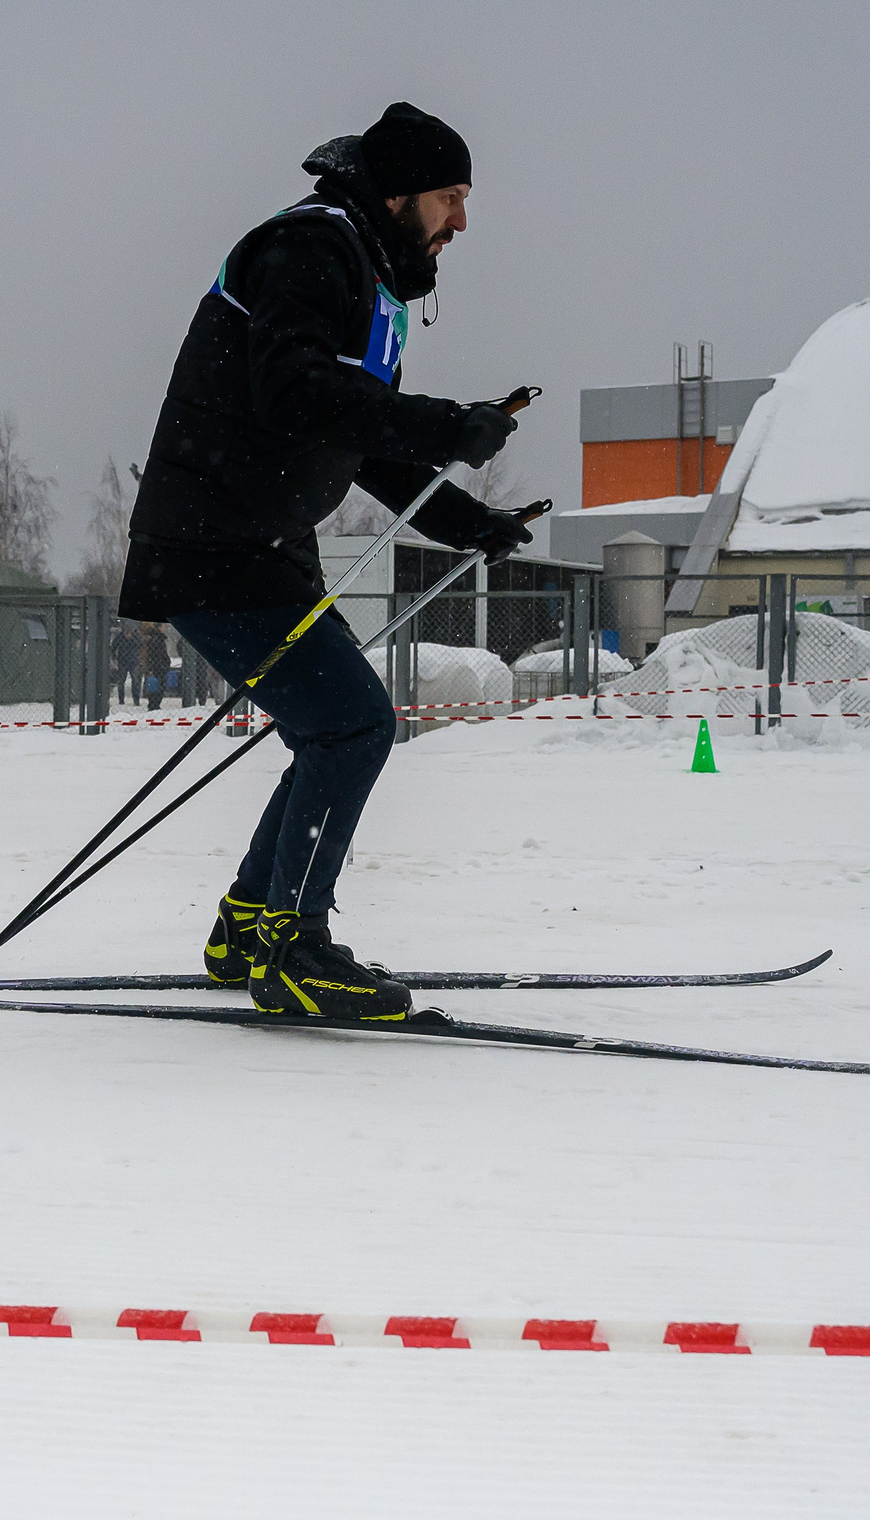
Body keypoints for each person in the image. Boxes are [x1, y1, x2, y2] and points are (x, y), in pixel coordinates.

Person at [120, 101, 537, 1022]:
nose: (462, 220)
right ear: (398, 194)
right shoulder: (311, 248)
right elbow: (295, 391)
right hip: (214, 548)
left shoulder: (366, 271)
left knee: (333, 727)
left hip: (258, 547)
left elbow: (359, 437)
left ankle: (249, 925)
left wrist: (468, 520)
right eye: (450, 196)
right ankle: (293, 948)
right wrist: (445, 425)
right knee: (352, 725)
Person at [140, 624, 172, 711]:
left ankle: (153, 703)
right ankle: (155, 704)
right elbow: (159, 654)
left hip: (157, 665)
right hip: (158, 666)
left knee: (155, 686)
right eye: (163, 626)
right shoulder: (157, 639)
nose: (164, 628)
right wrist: (164, 663)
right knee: (159, 686)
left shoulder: (154, 639)